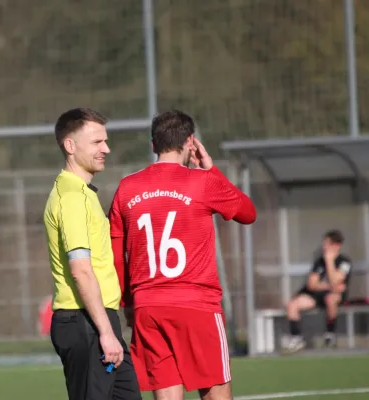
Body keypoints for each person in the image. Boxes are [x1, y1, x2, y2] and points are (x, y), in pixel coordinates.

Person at [108, 110, 256, 400]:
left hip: (147, 308)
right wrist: (211, 170)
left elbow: (116, 254)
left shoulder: (127, 188)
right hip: (196, 305)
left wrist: (127, 303)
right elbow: (247, 213)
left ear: (153, 145)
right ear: (191, 142)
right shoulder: (202, 182)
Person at [43, 108, 141, 400]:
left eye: (106, 141)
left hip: (98, 322)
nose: (106, 149)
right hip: (85, 323)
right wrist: (105, 333)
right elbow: (81, 270)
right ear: (70, 146)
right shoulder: (71, 198)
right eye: (97, 142)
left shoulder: (84, 194)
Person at [283, 230, 352, 353]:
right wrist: (329, 286)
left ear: (336, 245)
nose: (324, 246)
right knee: (292, 304)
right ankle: (296, 338)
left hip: (334, 297)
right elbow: (312, 284)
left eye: (327, 244)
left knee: (331, 299)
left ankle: (330, 335)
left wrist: (330, 262)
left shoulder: (344, 262)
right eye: (324, 243)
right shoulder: (319, 262)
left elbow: (336, 281)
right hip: (315, 296)